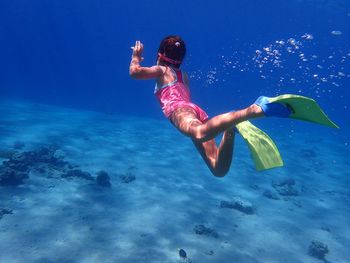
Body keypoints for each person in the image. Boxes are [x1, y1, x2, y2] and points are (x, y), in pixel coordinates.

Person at [129, 35, 291, 177]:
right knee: (218, 170)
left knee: (199, 133)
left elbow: (134, 73)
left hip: (179, 110)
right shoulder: (183, 75)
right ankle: (230, 129)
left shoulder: (161, 70)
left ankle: (252, 110)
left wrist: (136, 56)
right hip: (192, 110)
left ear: (160, 55)